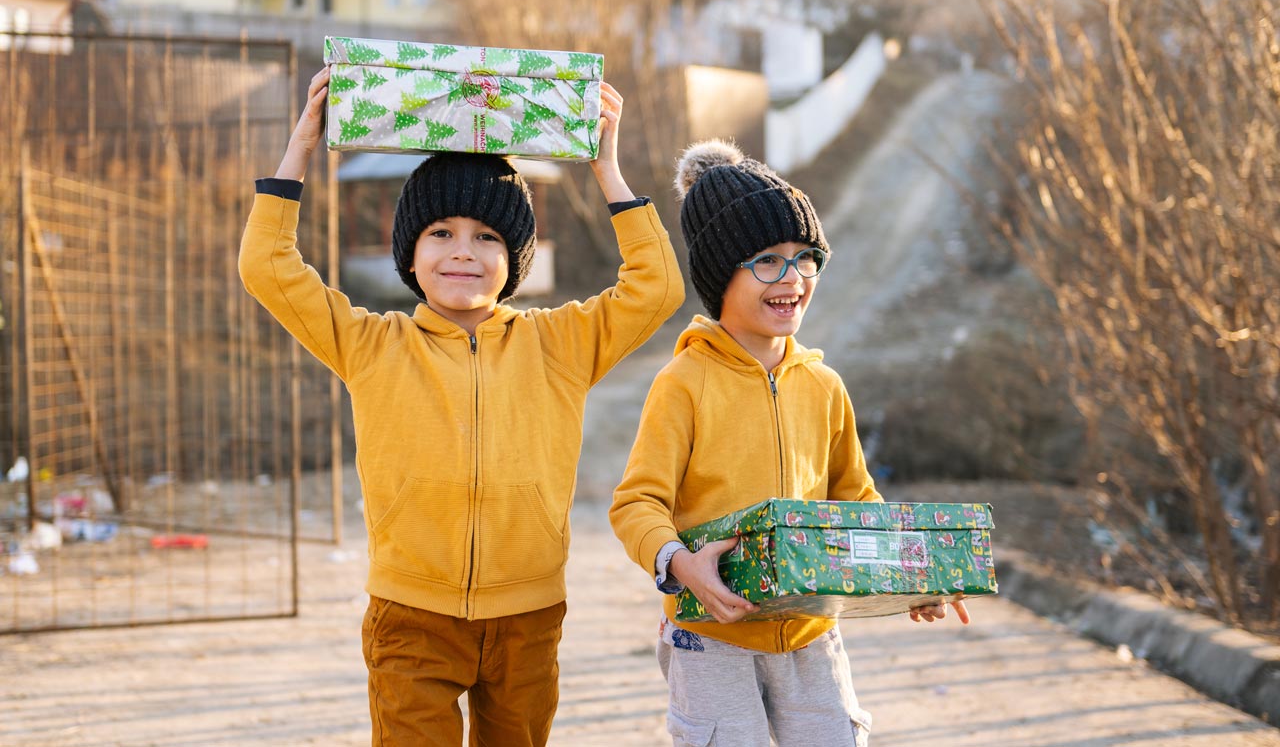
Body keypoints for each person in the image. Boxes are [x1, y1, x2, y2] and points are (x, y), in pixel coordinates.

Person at [240, 67, 683, 746]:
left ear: (516, 258)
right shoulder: (370, 344)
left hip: (529, 618)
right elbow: (267, 267)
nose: (463, 253)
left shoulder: (559, 343)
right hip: (410, 616)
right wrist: (300, 148)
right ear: (409, 254)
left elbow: (655, 289)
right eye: (440, 233)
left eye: (486, 237)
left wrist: (607, 170)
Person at [609, 139, 968, 747]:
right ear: (720, 272)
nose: (793, 278)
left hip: (811, 630)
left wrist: (910, 573)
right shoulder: (683, 384)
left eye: (806, 258)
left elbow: (855, 496)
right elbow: (637, 504)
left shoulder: (824, 386)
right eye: (767, 260)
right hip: (711, 635)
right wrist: (680, 567)